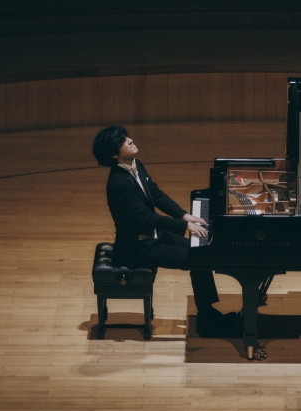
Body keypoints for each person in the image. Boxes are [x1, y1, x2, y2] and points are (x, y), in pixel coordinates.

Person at [92, 125, 237, 333]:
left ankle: (207, 313)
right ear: (114, 154)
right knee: (199, 259)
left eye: (127, 137)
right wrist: (185, 226)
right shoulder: (118, 184)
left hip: (153, 236)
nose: (130, 140)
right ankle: (207, 317)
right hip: (139, 247)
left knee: (201, 253)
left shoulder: (136, 165)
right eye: (123, 141)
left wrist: (184, 215)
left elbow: (156, 194)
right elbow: (147, 217)